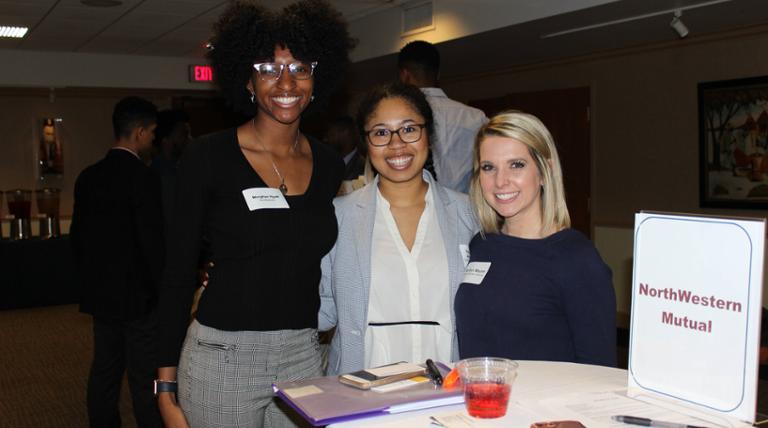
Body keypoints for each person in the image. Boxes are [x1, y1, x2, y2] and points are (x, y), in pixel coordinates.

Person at [155, 1, 354, 427]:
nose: (286, 82)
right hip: (222, 357)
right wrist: (164, 387)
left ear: (316, 78)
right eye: (268, 68)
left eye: (300, 67)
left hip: (303, 353)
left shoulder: (329, 164)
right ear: (247, 80)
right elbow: (175, 273)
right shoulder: (207, 156)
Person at [319, 82, 478, 375]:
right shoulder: (339, 217)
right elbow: (321, 309)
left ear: (428, 135)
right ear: (365, 144)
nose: (396, 144)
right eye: (381, 132)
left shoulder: (470, 213)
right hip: (361, 388)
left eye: (408, 129)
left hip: (447, 388)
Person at [454, 111, 617, 367]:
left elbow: (599, 370)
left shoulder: (576, 259)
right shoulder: (481, 245)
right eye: (489, 168)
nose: (500, 181)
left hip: (544, 406)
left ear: (544, 172)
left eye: (516, 165)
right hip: (480, 404)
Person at [70, 96, 164, 427]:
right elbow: (152, 243)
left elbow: (78, 238)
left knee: (105, 369)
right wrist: (162, 292)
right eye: (152, 131)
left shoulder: (88, 176)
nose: (153, 138)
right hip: (139, 296)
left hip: (102, 294)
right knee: (144, 377)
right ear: (139, 132)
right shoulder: (145, 179)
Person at [398, 40, 487, 194]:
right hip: (467, 212)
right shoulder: (476, 118)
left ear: (404, 75)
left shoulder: (395, 119)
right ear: (438, 74)